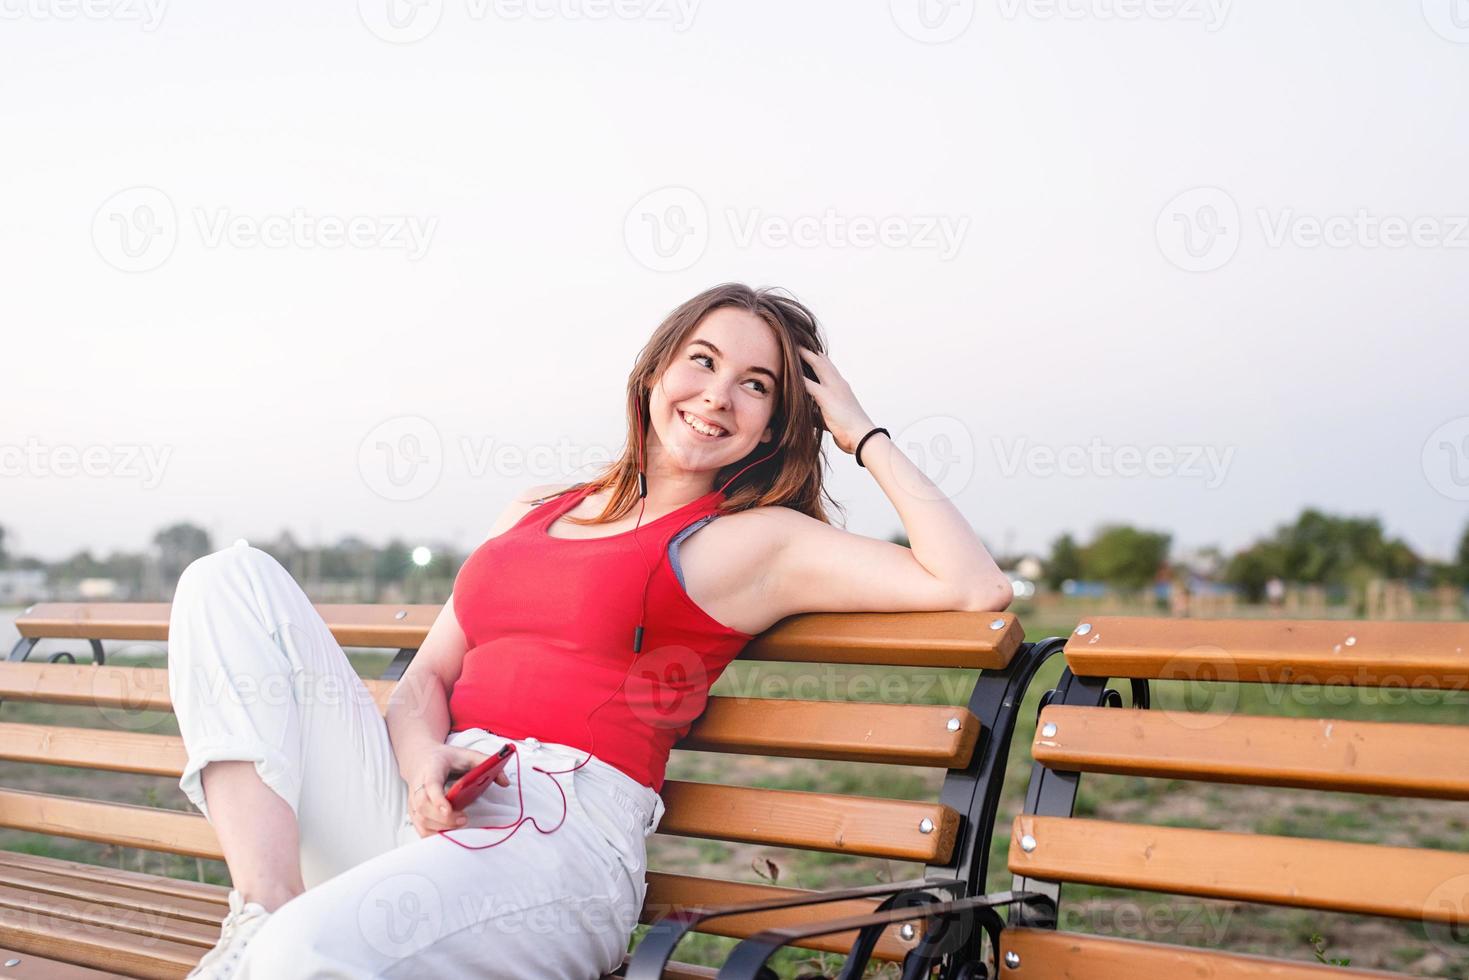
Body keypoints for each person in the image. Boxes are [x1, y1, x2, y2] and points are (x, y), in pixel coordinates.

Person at [168, 282, 1014, 978]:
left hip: (558, 841)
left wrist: (860, 431)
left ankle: (276, 940)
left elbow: (972, 585)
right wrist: (424, 761)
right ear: (653, 374)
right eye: (703, 361)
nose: (718, 395)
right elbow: (424, 682)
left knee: (300, 958)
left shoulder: (750, 541)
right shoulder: (537, 511)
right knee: (226, 579)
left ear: (775, 424)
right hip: (427, 803)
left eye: (756, 385)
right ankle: (263, 904)